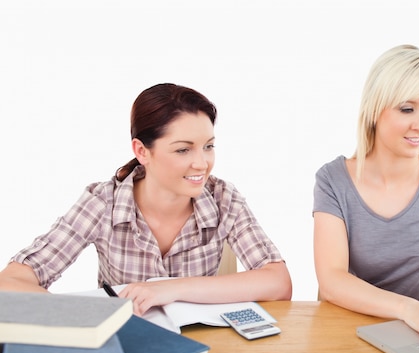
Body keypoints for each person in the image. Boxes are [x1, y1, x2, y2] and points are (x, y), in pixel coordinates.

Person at [0, 83, 292, 314]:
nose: (202, 163)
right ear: (142, 151)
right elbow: (11, 282)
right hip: (128, 345)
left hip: (205, 345)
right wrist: (83, 317)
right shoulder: (103, 203)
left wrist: (171, 289)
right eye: (183, 150)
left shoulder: (224, 198)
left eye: (209, 146)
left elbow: (278, 282)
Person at [313, 45, 419, 352]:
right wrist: (409, 309)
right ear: (374, 109)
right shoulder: (333, 180)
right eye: (407, 109)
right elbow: (332, 280)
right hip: (350, 335)